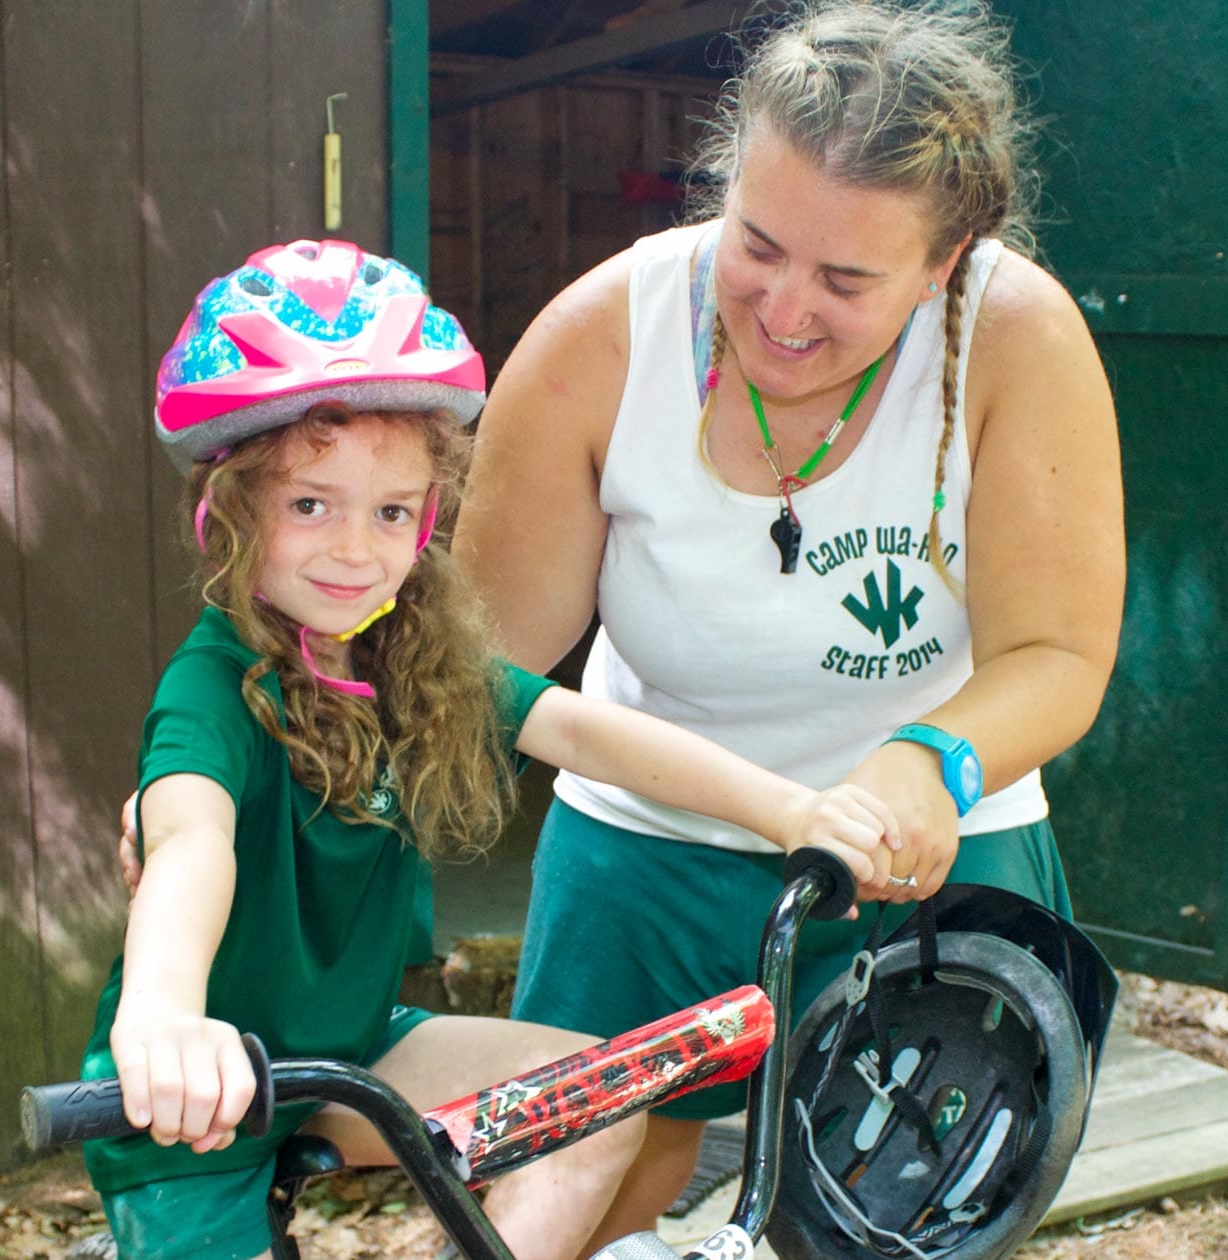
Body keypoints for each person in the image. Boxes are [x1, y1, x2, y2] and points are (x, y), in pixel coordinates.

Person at [448, 3, 1125, 1248]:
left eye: (847, 278)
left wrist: (930, 762)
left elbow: (1057, 657)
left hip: (928, 855)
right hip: (643, 858)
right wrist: (243, 764)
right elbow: (465, 664)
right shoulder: (604, 334)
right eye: (754, 244)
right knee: (578, 1196)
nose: (781, 308)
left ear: (945, 261)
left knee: (895, 1214)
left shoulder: (1017, 340)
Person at [88, 237, 902, 1260]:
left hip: (348, 1048)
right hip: (195, 1096)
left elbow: (574, 727)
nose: (354, 547)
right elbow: (188, 842)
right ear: (228, 515)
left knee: (595, 1100)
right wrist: (164, 1016)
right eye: (308, 505)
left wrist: (791, 811)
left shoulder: (401, 658)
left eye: (390, 512)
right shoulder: (209, 693)